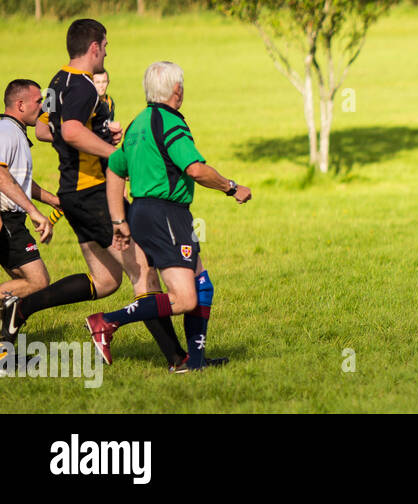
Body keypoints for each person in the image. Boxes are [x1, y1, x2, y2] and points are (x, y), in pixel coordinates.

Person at [0, 19, 185, 368]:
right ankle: (178, 358)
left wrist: (95, 135)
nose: (105, 53)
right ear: (95, 47)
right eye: (105, 46)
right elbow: (69, 131)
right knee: (143, 270)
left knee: (104, 280)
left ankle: (21, 307)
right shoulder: (84, 86)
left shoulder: (58, 80)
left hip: (73, 194)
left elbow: (43, 128)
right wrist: (112, 152)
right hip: (93, 194)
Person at [85, 61, 247, 371]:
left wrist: (120, 220)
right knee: (185, 299)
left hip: (148, 213)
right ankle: (106, 321)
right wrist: (231, 187)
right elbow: (195, 169)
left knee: (202, 286)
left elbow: (115, 170)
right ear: (177, 90)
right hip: (166, 215)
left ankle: (195, 364)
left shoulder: (137, 124)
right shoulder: (170, 123)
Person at [0, 80, 59, 299]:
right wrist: (34, 211)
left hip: (10, 220)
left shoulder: (15, 131)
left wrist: (53, 200)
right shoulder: (6, 131)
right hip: (6, 219)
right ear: (21, 105)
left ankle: (8, 333)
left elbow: (19, 180)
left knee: (18, 290)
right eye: (38, 101)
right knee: (38, 281)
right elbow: (1, 176)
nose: (43, 106)